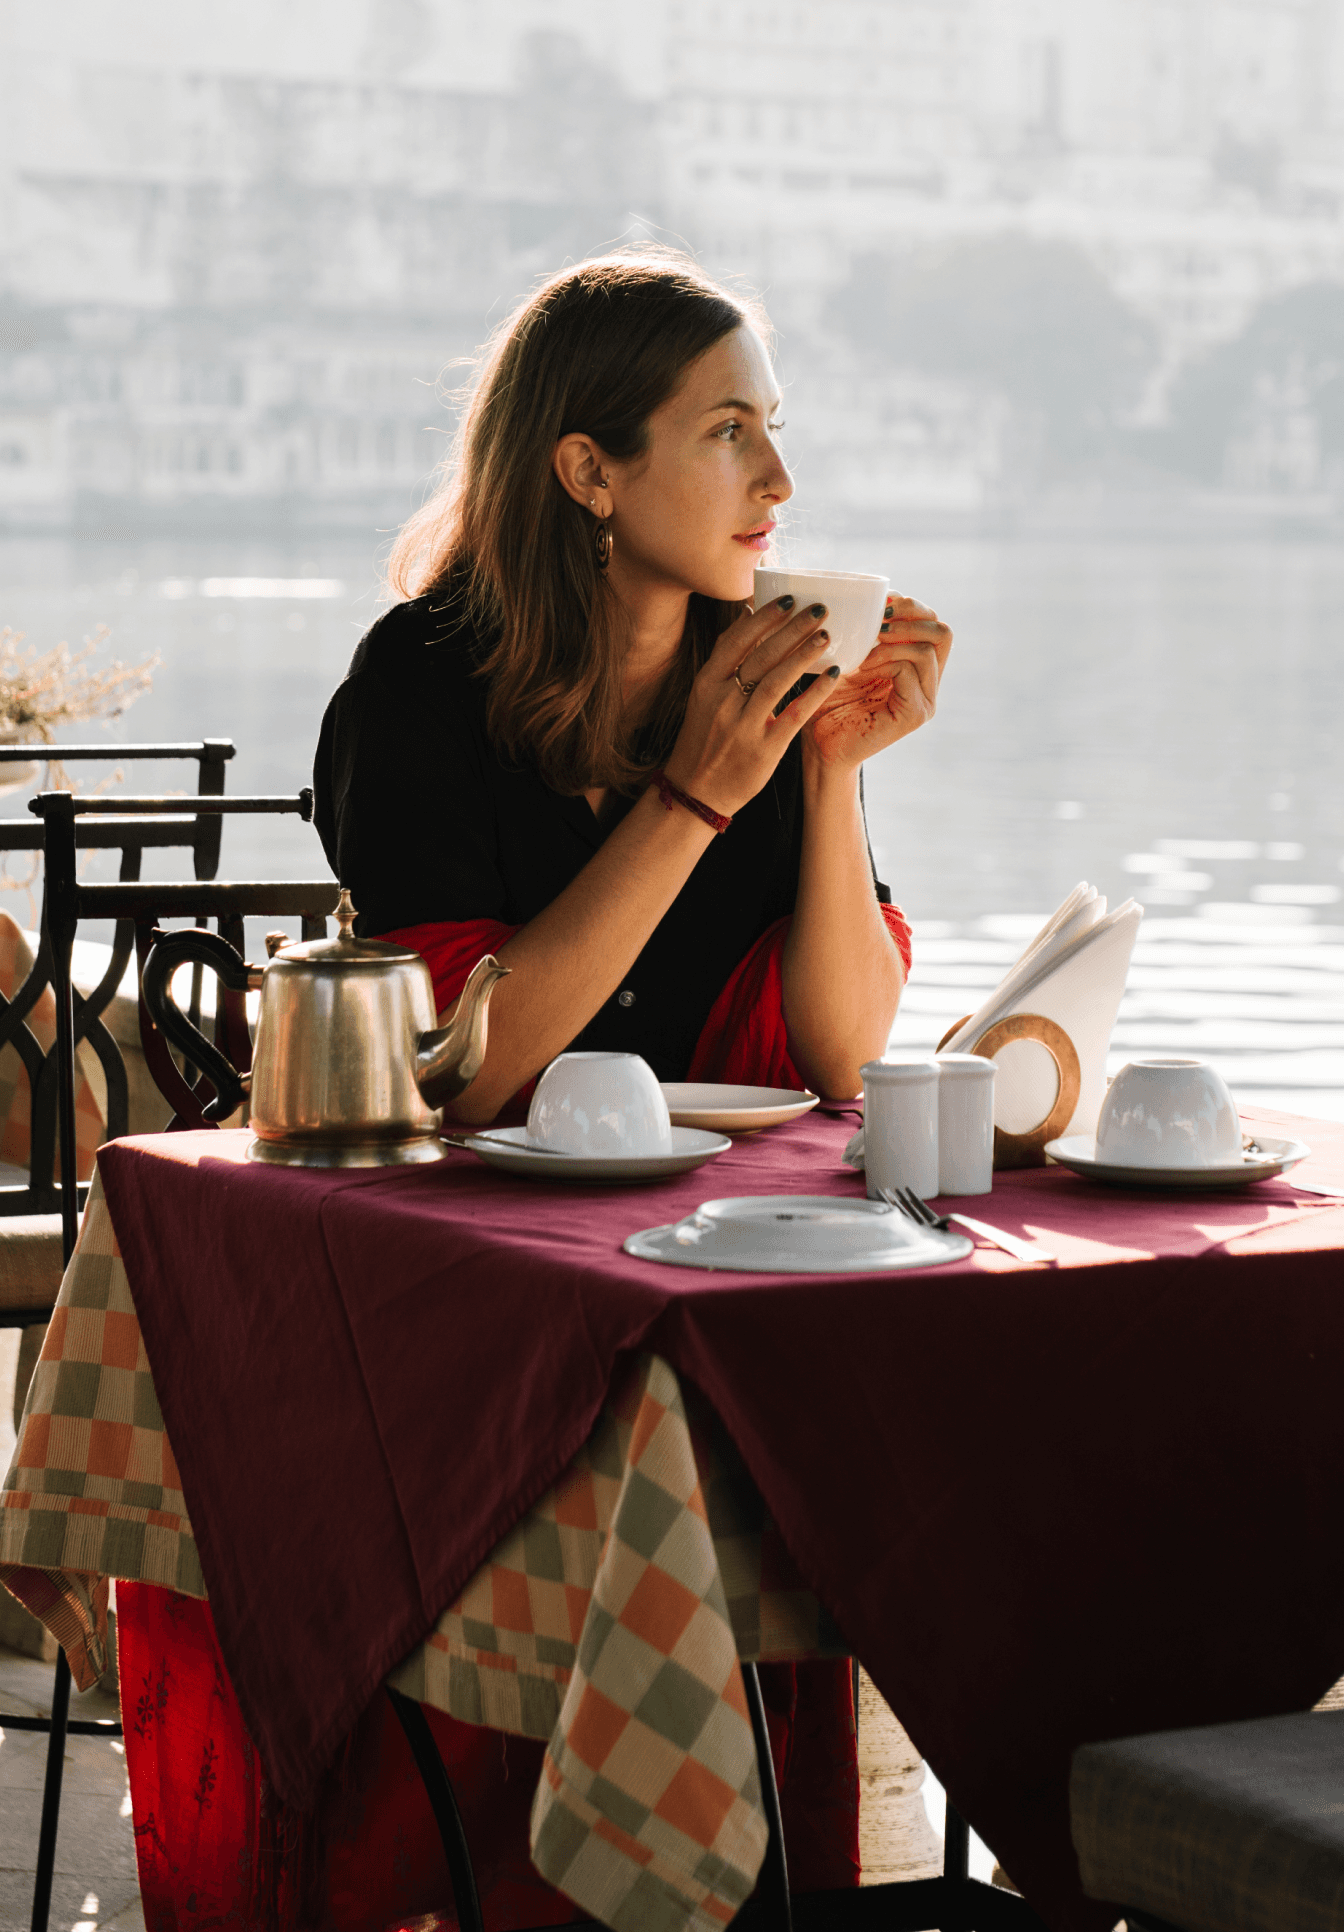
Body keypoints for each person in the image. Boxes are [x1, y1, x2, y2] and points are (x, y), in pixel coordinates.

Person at [314, 249, 951, 1121]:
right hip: (488, 1221)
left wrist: (829, 768)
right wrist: (692, 798)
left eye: (773, 426)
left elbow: (844, 1060)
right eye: (730, 431)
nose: (780, 479)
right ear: (591, 473)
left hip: (735, 1221)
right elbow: (456, 1077)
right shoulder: (418, 679)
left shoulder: (774, 676)